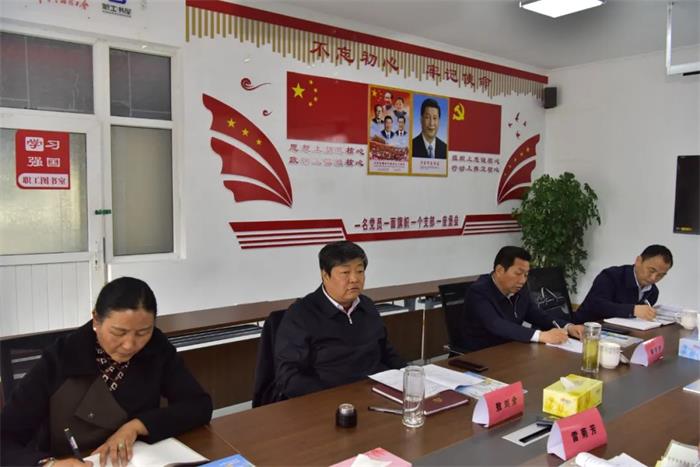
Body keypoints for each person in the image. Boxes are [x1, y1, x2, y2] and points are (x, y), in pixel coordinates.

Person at [1, 277, 213, 467]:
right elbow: (5, 437)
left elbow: (199, 405)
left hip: (136, 459)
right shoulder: (61, 357)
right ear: (96, 320)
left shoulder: (156, 348)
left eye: (143, 332)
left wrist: (137, 426)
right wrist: (48, 464)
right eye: (118, 332)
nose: (130, 345)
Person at [274, 241, 405, 398]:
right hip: (331, 398)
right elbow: (288, 376)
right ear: (325, 275)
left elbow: (386, 351)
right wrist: (330, 398)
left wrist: (408, 375)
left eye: (360, 271)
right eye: (345, 272)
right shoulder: (301, 314)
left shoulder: (367, 305)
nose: (354, 279)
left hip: (375, 392)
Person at [461, 246, 584, 352]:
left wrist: (568, 327)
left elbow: (537, 315)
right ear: (499, 270)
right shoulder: (478, 291)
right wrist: (541, 336)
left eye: (526, 275)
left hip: (512, 349)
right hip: (482, 354)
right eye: (518, 273)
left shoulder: (519, 288)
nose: (523, 280)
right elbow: (496, 324)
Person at [573, 245, 673, 323]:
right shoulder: (611, 276)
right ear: (638, 261)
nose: (653, 278)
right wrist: (632, 310)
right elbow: (597, 305)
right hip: (584, 329)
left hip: (620, 333)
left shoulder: (653, 292)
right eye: (651, 271)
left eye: (661, 275)